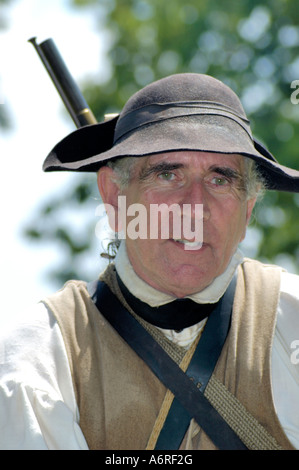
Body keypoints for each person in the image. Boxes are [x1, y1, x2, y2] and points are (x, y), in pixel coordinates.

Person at [1, 73, 299, 450]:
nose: (195, 208)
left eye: (220, 180)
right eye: (168, 174)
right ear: (113, 195)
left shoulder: (293, 320)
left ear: (248, 209)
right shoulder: (40, 358)